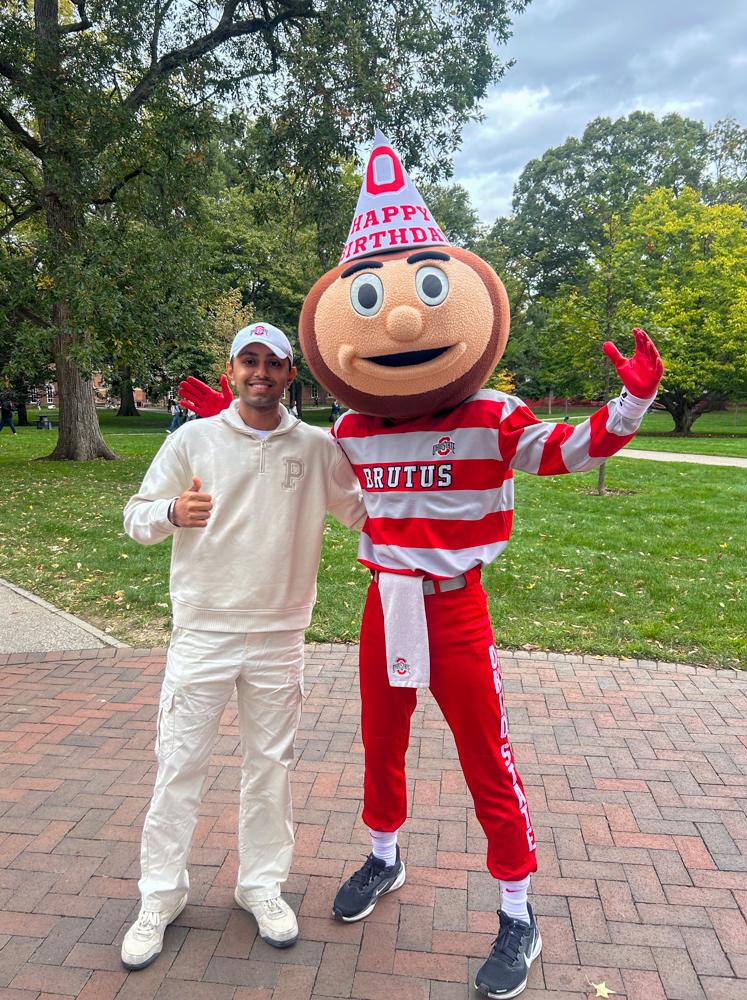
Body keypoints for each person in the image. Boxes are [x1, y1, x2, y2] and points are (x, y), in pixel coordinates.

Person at [184, 134, 664, 1000]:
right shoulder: (358, 429)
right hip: (385, 600)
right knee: (382, 738)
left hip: (455, 604)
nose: (399, 324)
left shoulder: (491, 411)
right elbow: (299, 458)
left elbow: (567, 450)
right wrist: (237, 421)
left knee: (487, 755)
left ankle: (519, 912)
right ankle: (383, 857)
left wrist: (630, 402)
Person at [121, 321, 365, 971]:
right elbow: (136, 516)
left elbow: (366, 513)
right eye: (248, 360)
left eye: (274, 363)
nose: (261, 372)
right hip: (203, 631)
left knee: (270, 769)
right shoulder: (194, 439)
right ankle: (161, 896)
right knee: (179, 766)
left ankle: (261, 885)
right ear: (231, 370)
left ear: (290, 374)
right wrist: (173, 514)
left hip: (279, 636)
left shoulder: (316, 449)